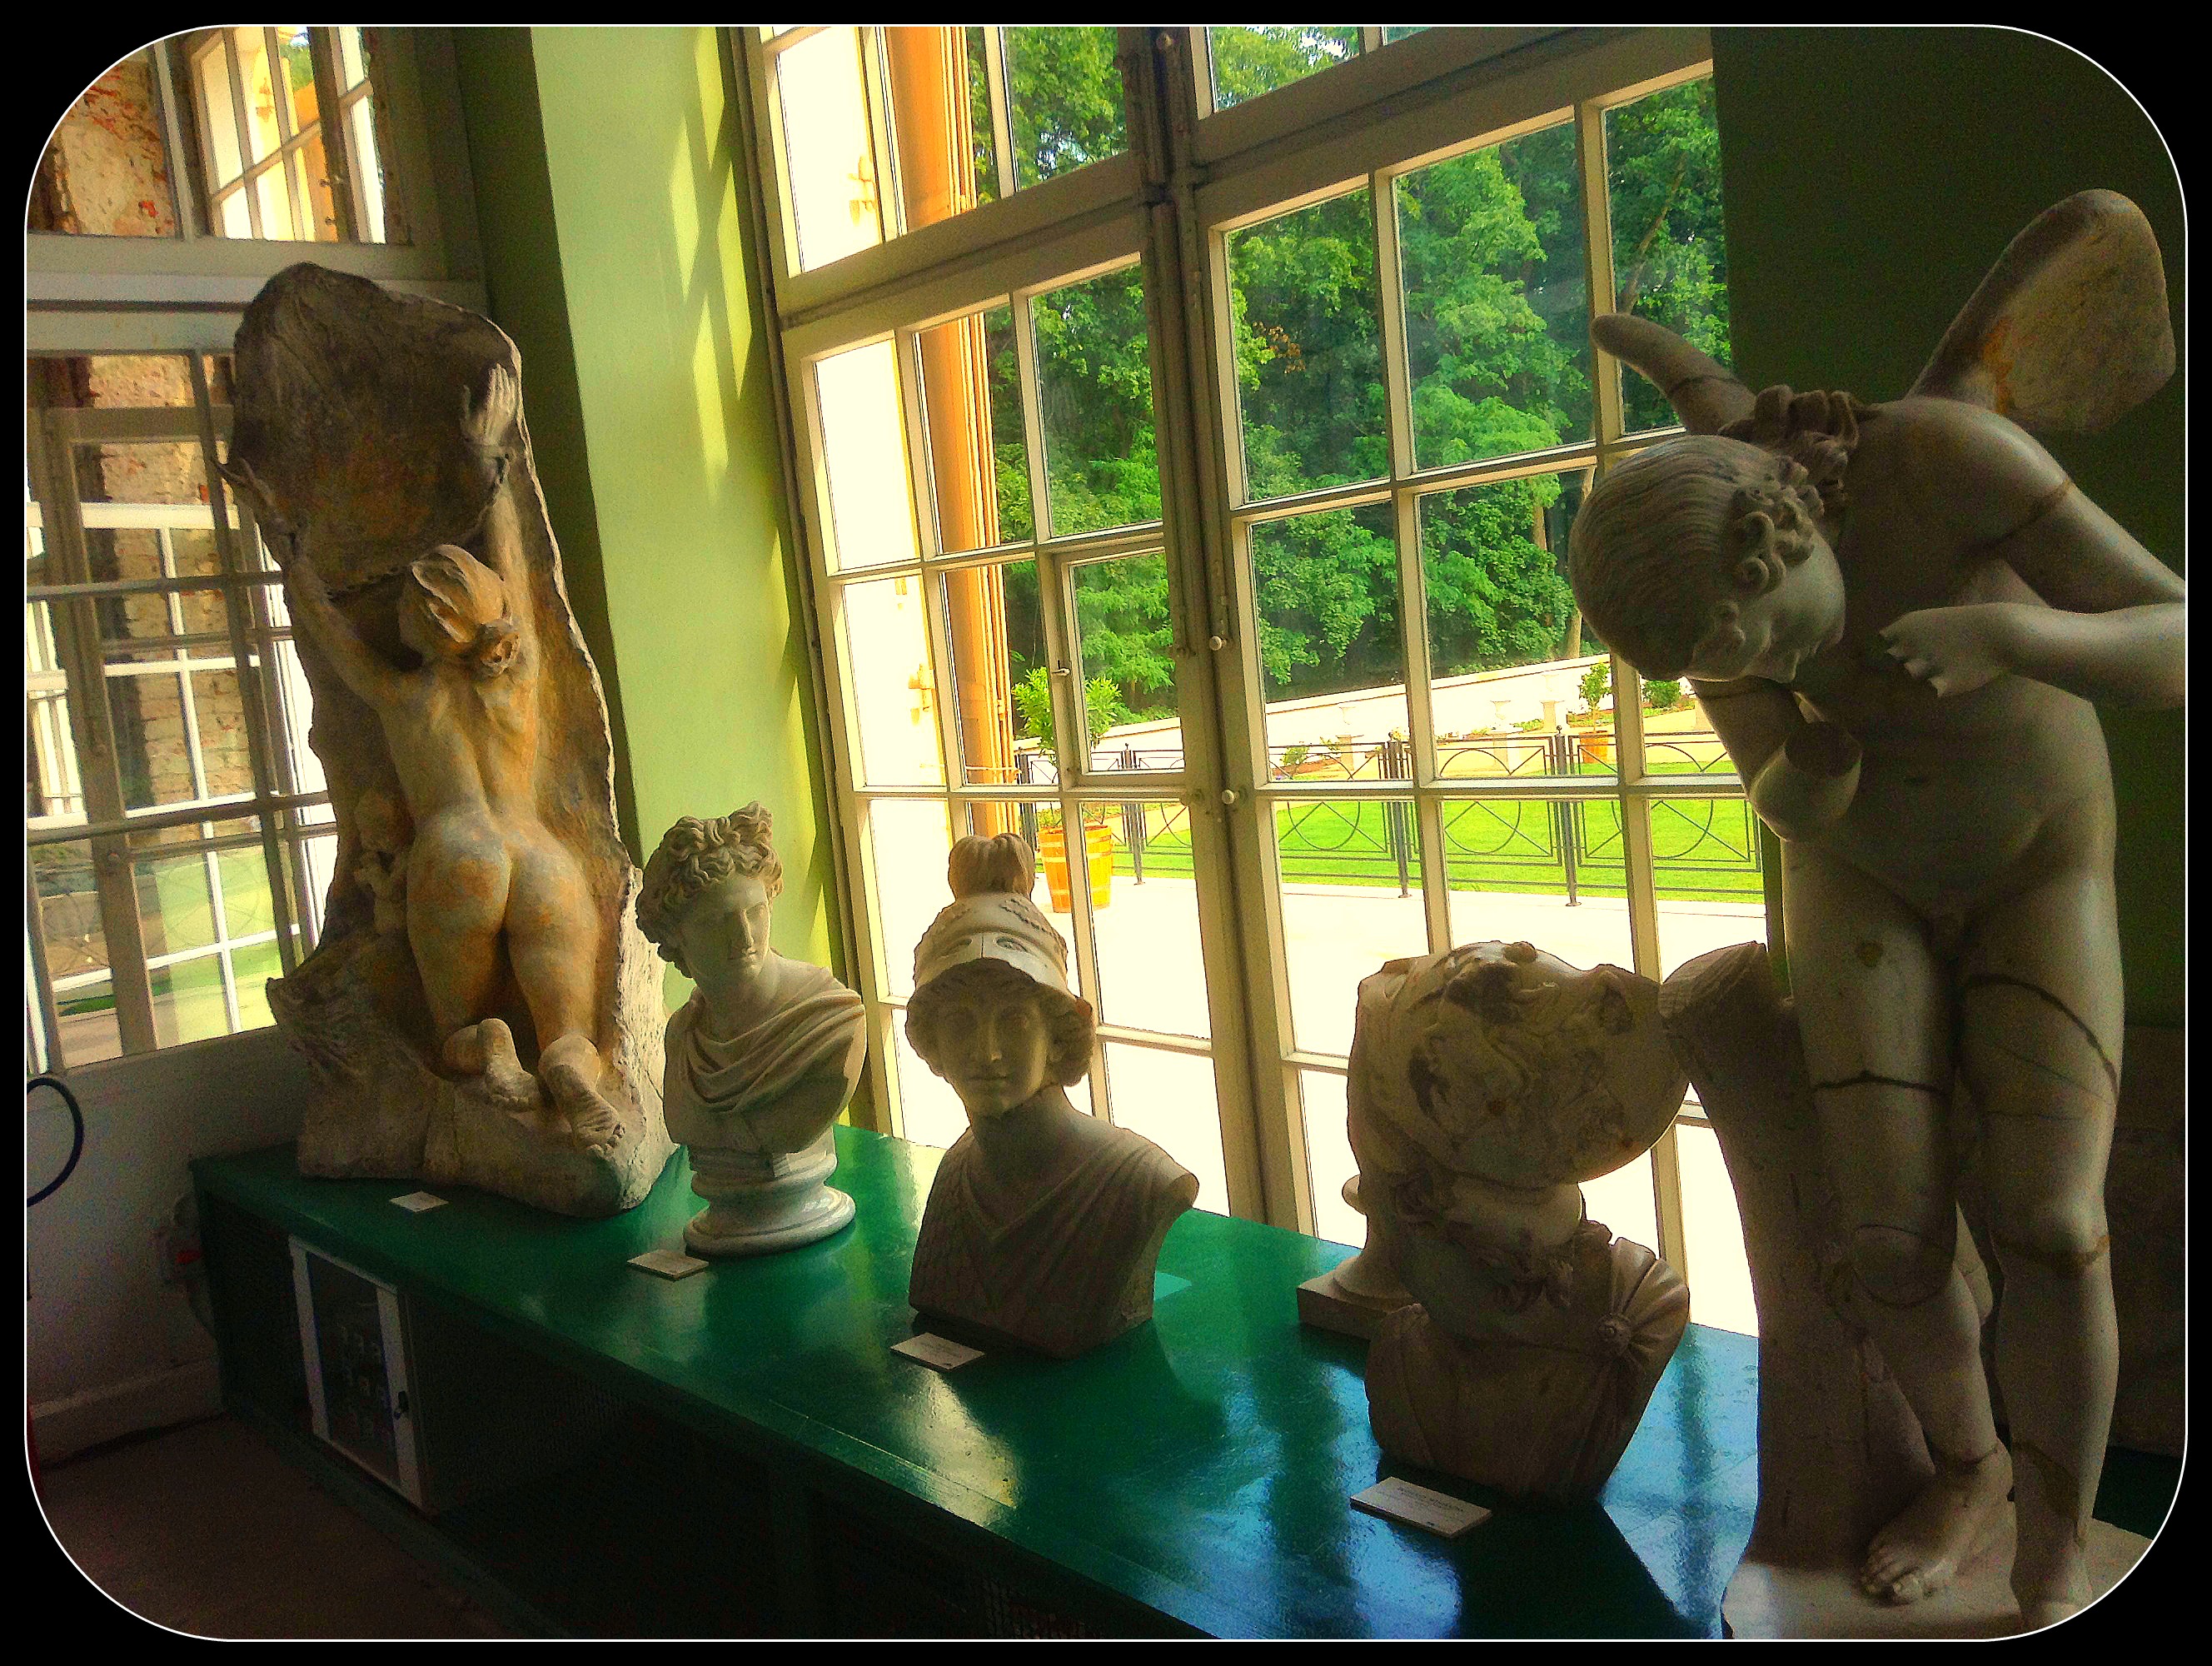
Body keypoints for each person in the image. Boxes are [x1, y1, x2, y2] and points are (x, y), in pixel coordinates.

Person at [1567, 287, 2182, 1624]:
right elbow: (1778, 797)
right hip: (1862, 882)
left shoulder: (1947, 465)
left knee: (2056, 1224)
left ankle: (2057, 1538)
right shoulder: (1718, 619)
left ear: (1780, 532)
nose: (1780, 665)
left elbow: (2178, 638)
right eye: (1730, 663)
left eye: (1768, 633)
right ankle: (1972, 1469)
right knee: (1891, 1246)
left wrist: (2018, 636)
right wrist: (1813, 772)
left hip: (2036, 866)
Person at [277, 367, 617, 1150]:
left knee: (455, 1034)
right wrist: (490, 458)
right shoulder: (518, 677)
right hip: (542, 858)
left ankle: (492, 1048)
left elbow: (333, 639)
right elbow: (518, 572)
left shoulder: (403, 697)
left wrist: (296, 561)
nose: (396, 612)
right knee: (574, 1032)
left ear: (426, 619)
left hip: (456, 856)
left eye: (406, 602)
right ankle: (568, 1074)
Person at [904, 833, 1198, 1359]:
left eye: (1014, 1021)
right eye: (961, 1022)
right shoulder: (955, 1175)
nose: (987, 1052)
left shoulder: (1140, 1182)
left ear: (1059, 1034)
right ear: (932, 1041)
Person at [639, 805, 866, 1156]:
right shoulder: (683, 1037)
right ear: (673, 935)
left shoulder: (831, 1024)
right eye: (717, 922)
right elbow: (684, 1123)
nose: (744, 938)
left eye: (756, 912)